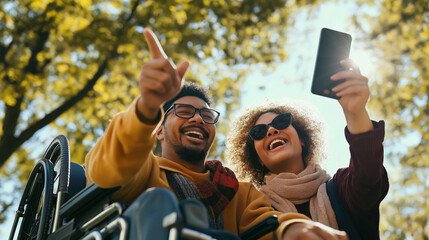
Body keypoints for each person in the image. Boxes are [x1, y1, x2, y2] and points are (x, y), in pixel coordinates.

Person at [85, 28, 349, 239]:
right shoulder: (143, 170)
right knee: (160, 201)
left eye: (206, 115)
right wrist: (145, 108)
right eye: (184, 111)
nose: (198, 118)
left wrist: (292, 229)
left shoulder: (240, 193)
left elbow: (269, 222)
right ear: (159, 131)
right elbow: (105, 171)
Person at [225, 59, 389, 240]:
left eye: (281, 122)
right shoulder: (251, 208)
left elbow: (368, 176)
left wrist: (356, 113)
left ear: (302, 139)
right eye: (258, 132)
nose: (271, 130)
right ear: (257, 158)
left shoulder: (342, 188)